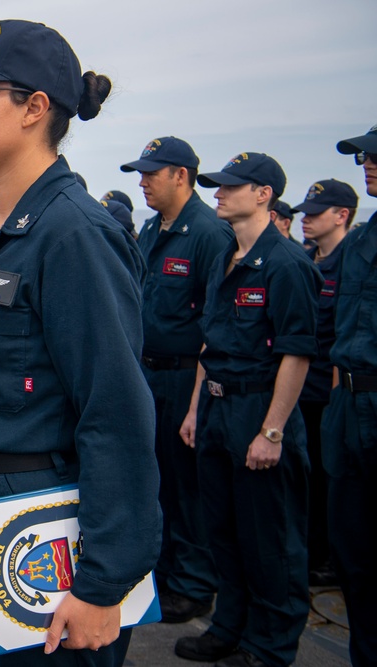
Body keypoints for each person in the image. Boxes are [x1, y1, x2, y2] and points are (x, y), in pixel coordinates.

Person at [0, 19, 160, 666]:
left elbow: (115, 413)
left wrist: (104, 581)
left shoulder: (74, 234)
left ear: (34, 108)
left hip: (43, 543)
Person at [177, 153, 321, 667]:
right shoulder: (225, 258)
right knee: (225, 530)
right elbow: (209, 343)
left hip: (259, 409)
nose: (219, 193)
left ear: (263, 194)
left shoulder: (286, 263)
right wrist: (196, 408)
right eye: (218, 186)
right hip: (216, 408)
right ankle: (229, 627)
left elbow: (296, 352)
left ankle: (269, 646)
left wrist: (274, 431)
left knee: (270, 539)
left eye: (231, 186)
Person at [119, 136, 232, 624]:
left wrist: (196, 402)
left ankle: (193, 584)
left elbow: (216, 318)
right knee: (155, 480)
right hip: (148, 370)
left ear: (180, 176)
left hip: (185, 376)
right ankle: (164, 573)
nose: (142, 182)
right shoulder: (151, 228)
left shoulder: (208, 233)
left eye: (151, 173)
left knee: (187, 488)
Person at [324, 124, 377, 667]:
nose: (367, 161)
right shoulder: (362, 239)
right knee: (354, 557)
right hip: (350, 406)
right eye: (364, 154)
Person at [292, 179, 358, 588]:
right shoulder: (306, 260)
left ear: (342, 215)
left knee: (333, 482)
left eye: (316, 213)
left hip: (334, 393)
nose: (306, 220)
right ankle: (316, 552)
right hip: (302, 391)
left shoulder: (351, 262)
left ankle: (332, 557)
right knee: (309, 483)